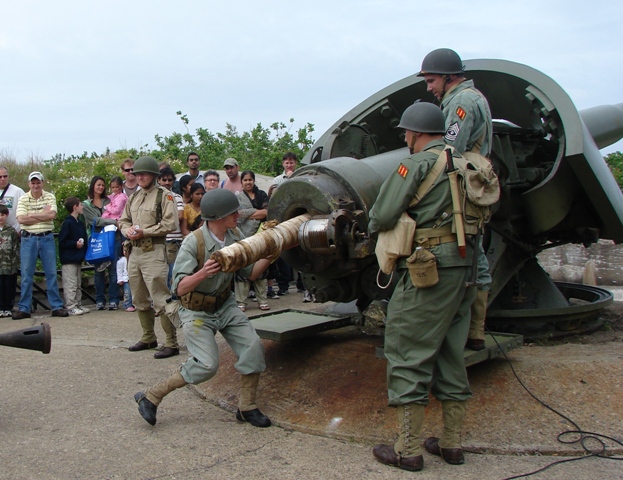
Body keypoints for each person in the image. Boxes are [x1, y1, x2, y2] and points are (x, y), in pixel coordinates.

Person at [369, 102, 476, 472]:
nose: (406, 139)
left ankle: (408, 448)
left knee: (406, 347)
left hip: (428, 266)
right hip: (466, 265)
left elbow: (382, 214)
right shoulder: (466, 163)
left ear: (413, 133)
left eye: (405, 134)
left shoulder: (414, 164)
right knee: (449, 348)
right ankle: (452, 444)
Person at [133, 188, 272, 428]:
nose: (238, 215)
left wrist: (272, 251)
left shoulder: (234, 236)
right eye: (233, 212)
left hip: (224, 304)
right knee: (206, 365)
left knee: (252, 347)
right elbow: (179, 288)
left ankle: (247, 406)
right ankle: (152, 395)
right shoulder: (193, 242)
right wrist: (202, 273)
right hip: (195, 310)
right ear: (218, 216)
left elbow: (250, 273)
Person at [419, 47, 493, 351]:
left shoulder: (460, 102)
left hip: (460, 187)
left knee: (458, 252)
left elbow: (449, 151)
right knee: (476, 257)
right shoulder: (474, 97)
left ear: (449, 77)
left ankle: (456, 331)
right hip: (473, 185)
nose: (429, 88)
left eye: (432, 80)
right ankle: (474, 332)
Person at [119, 156, 180, 359]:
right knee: (138, 297)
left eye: (144, 174)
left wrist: (145, 232)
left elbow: (171, 224)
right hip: (134, 252)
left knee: (161, 297)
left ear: (154, 175)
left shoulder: (165, 196)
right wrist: (127, 231)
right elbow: (123, 220)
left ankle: (171, 343)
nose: (140, 177)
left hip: (154, 250)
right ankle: (148, 337)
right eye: (137, 174)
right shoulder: (134, 197)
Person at [13, 171, 68, 319]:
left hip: (46, 237)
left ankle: (56, 306)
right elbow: (21, 219)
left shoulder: (50, 196)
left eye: (38, 182)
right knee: (26, 275)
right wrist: (41, 215)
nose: (35, 185)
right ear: (29, 184)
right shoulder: (24, 198)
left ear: (42, 183)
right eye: (33, 182)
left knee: (51, 273)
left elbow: (51, 215)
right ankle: (24, 308)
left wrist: (31, 215)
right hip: (28, 239)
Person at [83, 176, 121, 310]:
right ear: (93, 185)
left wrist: (115, 221)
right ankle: (99, 299)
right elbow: (94, 221)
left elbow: (118, 213)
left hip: (113, 238)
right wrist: (113, 222)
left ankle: (114, 299)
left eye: (103, 185)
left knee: (113, 270)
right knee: (99, 271)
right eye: (98, 185)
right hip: (97, 240)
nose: (101, 187)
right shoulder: (86, 204)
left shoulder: (110, 200)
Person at [235, 171, 269, 312]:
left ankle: (262, 300)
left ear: (254, 181)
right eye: (245, 180)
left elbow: (266, 212)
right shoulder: (238, 198)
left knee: (260, 266)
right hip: (243, 235)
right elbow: (238, 215)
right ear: (241, 182)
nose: (248, 182)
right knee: (242, 266)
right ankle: (241, 302)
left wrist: (249, 213)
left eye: (250, 180)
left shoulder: (262, 195)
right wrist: (256, 212)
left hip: (261, 234)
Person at [58, 197, 88, 316]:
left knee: (77, 283)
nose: (82, 207)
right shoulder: (68, 223)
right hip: (69, 259)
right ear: (75, 207)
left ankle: (78, 303)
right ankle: (70, 306)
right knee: (70, 283)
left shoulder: (79, 223)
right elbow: (62, 241)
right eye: (80, 204)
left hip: (77, 258)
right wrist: (74, 244)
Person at [158, 167, 184, 292]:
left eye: (170, 180)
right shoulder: (155, 198)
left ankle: (175, 297)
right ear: (159, 180)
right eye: (164, 180)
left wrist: (164, 219)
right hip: (163, 241)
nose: (167, 182)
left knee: (177, 271)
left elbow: (179, 216)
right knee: (165, 273)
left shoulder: (177, 197)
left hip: (177, 239)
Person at [0, 204, 20, 317]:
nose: (0, 217)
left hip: (8, 266)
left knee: (8, 286)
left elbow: (15, 248)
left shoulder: (11, 231)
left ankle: (8, 307)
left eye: (2, 215)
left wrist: (14, 264)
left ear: (6, 215)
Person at [0, 166, 25, 232]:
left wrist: (20, 229)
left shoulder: (18, 191)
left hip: (13, 233)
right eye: (0, 177)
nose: (2, 179)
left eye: (5, 176)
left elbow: (26, 212)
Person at [117, 245, 134, 312]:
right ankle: (127, 304)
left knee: (134, 292)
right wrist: (120, 279)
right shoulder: (121, 261)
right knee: (127, 293)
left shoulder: (133, 259)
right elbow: (119, 270)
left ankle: (134, 304)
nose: (126, 252)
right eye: (124, 250)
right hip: (126, 279)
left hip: (133, 278)